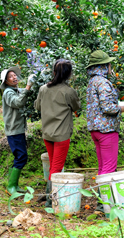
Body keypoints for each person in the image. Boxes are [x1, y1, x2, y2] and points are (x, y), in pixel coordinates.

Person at [34, 59, 81, 207]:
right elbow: (76, 107)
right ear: (69, 74)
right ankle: (50, 199)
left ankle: (49, 195)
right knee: (56, 168)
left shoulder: (43, 89)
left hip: (47, 134)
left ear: (54, 72)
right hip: (61, 135)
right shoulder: (69, 92)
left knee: (53, 164)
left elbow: (37, 107)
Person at [86, 50, 124, 176]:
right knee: (109, 169)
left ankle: (101, 194)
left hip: (96, 129)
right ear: (104, 66)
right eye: (109, 64)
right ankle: (106, 196)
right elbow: (107, 107)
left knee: (103, 167)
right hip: (106, 130)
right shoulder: (103, 82)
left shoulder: (93, 81)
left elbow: (100, 103)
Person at [0, 67, 36, 195]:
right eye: (10, 76)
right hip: (13, 130)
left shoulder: (16, 90)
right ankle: (11, 186)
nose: (14, 77)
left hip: (18, 129)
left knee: (19, 156)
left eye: (15, 75)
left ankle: (13, 184)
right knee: (21, 156)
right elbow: (18, 102)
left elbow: (26, 95)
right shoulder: (8, 93)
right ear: (6, 82)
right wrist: (28, 85)